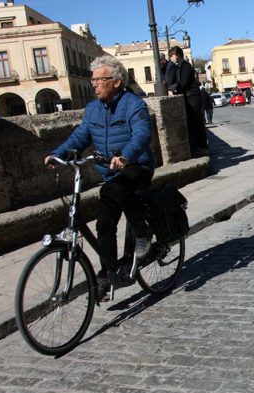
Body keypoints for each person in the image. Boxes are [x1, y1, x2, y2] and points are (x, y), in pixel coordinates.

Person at [45, 55, 154, 299]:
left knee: (113, 190)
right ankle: (107, 273)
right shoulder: (93, 109)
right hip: (112, 172)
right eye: (92, 79)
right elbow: (81, 136)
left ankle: (143, 231)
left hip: (137, 166)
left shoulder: (133, 104)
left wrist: (125, 155)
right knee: (104, 223)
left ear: (115, 81)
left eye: (99, 79)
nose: (94, 84)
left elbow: (142, 134)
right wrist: (57, 154)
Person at [168, 46, 208, 153]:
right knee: (194, 123)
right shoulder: (181, 66)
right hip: (191, 97)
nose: (170, 58)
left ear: (177, 55)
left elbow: (183, 83)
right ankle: (199, 147)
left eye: (171, 56)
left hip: (193, 98)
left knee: (197, 122)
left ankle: (202, 147)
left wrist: (174, 91)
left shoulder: (186, 66)